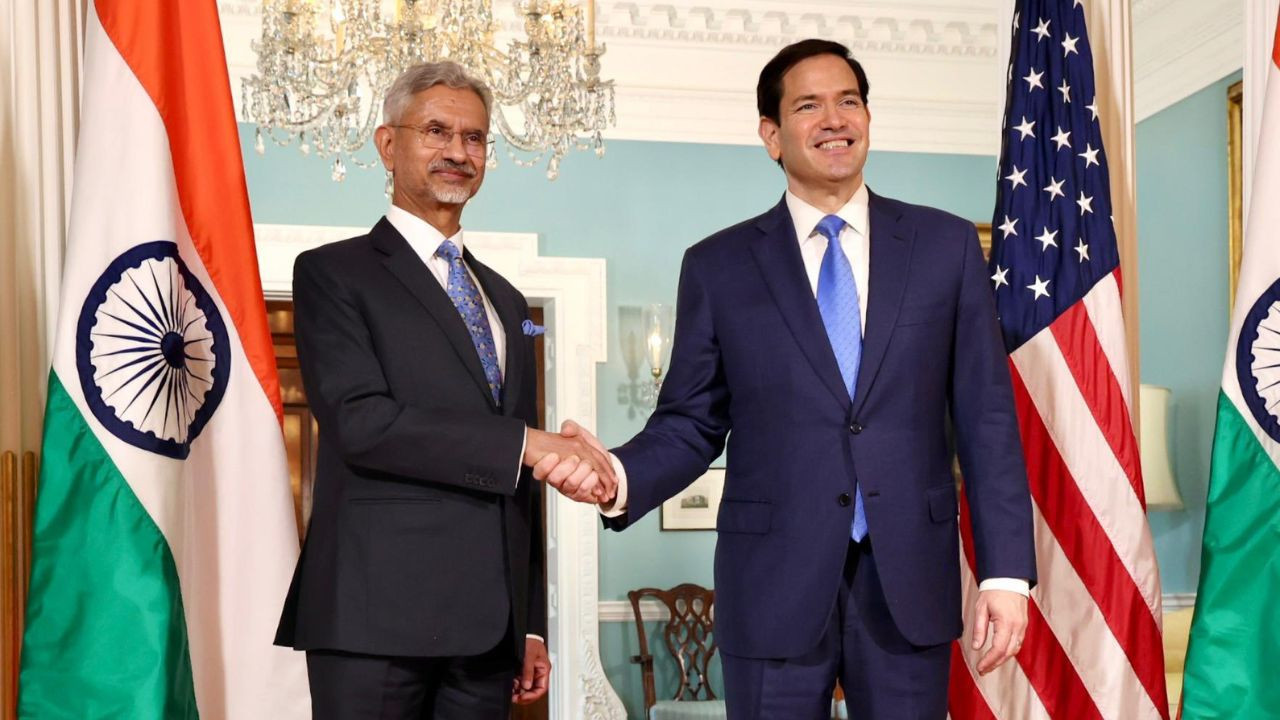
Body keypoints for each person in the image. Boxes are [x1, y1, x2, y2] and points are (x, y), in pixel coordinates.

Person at [553, 39, 1037, 719]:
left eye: (849, 101)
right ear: (772, 135)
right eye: (809, 106)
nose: (834, 119)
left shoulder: (946, 247)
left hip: (911, 583)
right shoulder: (718, 266)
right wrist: (618, 476)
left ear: (867, 118)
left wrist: (1007, 572)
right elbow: (691, 422)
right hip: (770, 587)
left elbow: (987, 419)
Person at [273, 61, 615, 719]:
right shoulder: (332, 274)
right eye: (436, 131)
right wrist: (527, 443)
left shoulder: (506, 299)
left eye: (475, 137)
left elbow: (521, 484)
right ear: (387, 144)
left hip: (488, 634)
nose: (458, 151)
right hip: (372, 620)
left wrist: (530, 624)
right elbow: (361, 423)